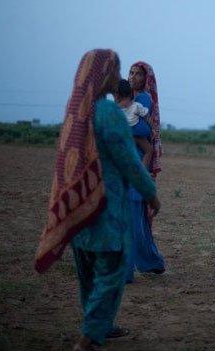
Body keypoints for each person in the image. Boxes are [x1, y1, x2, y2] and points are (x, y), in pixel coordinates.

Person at [34, 49, 161, 351]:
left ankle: (101, 325)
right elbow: (130, 160)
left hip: (79, 211)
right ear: (104, 74)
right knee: (111, 274)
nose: (119, 78)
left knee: (88, 276)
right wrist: (151, 194)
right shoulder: (107, 113)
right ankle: (88, 338)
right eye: (115, 71)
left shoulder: (75, 109)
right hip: (106, 210)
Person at [124, 62, 166, 281]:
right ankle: (152, 261)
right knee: (135, 218)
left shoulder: (144, 99)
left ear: (146, 78)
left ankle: (126, 270)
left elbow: (140, 128)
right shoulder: (128, 98)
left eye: (138, 74)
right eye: (131, 73)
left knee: (133, 218)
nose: (133, 77)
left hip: (138, 163)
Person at [115, 79, 153, 167]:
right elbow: (147, 117)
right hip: (137, 135)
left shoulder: (115, 108)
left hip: (123, 135)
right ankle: (142, 173)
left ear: (117, 95)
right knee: (149, 151)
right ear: (131, 94)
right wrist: (153, 129)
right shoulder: (136, 106)